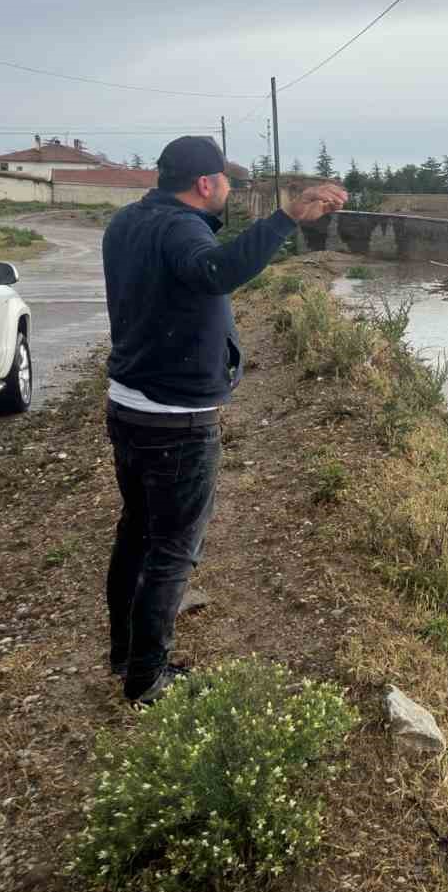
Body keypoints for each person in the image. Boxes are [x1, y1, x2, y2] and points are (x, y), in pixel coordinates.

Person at [101, 136, 347, 704]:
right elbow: (216, 271)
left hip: (130, 404)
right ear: (205, 183)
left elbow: (192, 277)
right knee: (171, 550)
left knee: (136, 533)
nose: (232, 190)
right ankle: (147, 679)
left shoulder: (126, 223)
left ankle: (124, 655)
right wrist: (288, 217)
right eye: (228, 181)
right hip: (177, 419)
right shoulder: (182, 229)